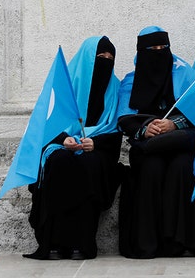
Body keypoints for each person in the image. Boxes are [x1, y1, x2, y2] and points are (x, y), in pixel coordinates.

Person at [24, 36, 124, 260]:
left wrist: (95, 142)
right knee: (60, 162)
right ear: (87, 61)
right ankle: (53, 243)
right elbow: (44, 125)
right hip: (62, 147)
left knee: (89, 164)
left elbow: (117, 133)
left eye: (110, 59)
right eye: (100, 58)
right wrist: (64, 139)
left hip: (97, 151)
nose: (106, 63)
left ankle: (82, 243)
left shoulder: (115, 88)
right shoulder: (63, 87)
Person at [117, 25, 195, 259]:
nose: (158, 52)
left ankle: (181, 243)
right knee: (151, 169)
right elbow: (124, 118)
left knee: (182, 168)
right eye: (152, 48)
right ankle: (149, 244)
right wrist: (145, 128)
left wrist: (174, 124)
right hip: (149, 146)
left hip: (180, 145)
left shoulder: (184, 73)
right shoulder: (131, 80)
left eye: (162, 47)